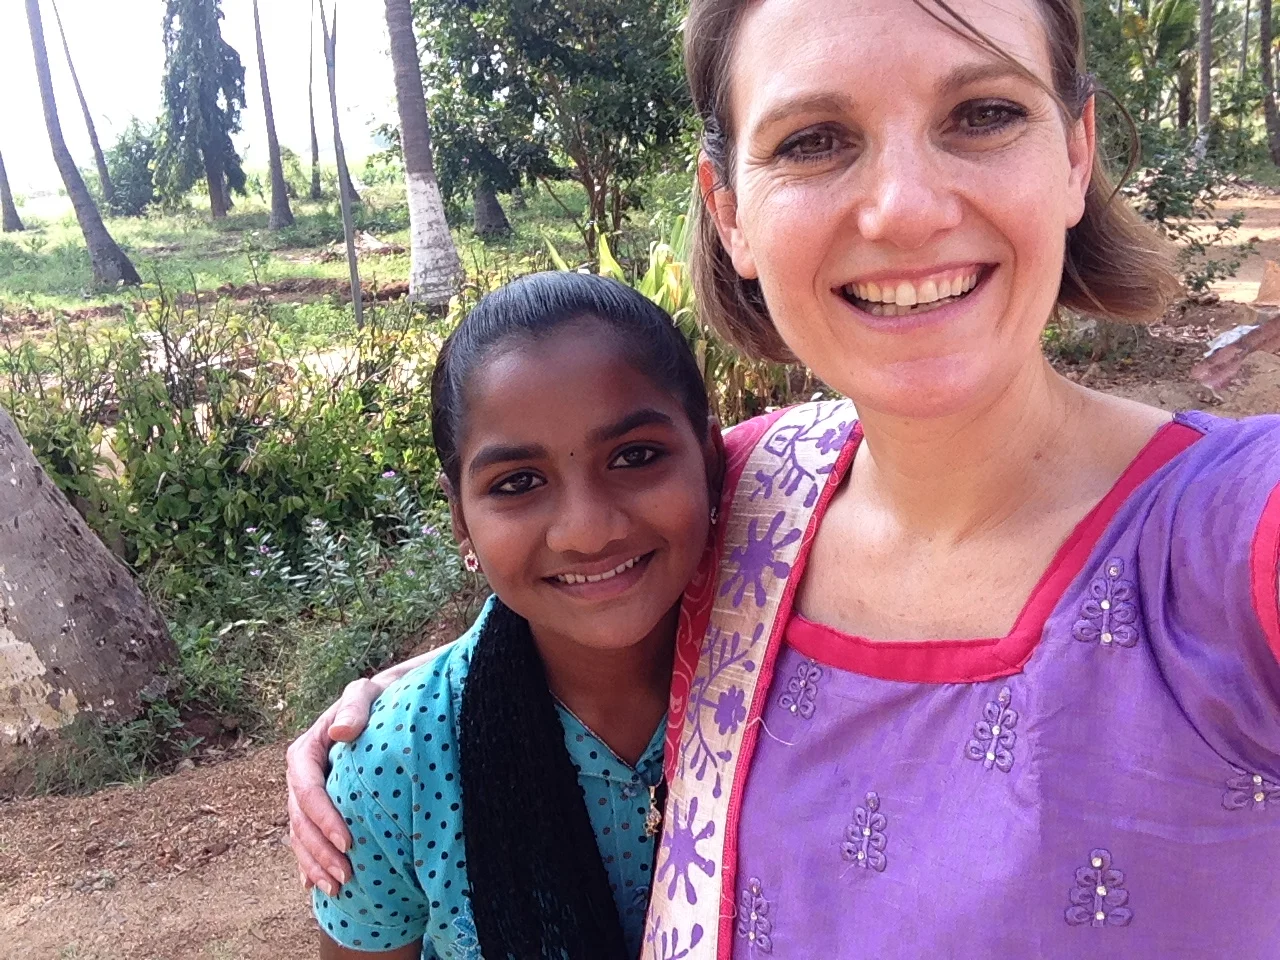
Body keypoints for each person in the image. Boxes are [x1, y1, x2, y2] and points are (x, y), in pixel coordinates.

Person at [293, 0, 1280, 956]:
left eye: (980, 114)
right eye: (813, 138)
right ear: (729, 214)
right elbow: (575, 572)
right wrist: (390, 719)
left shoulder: (1235, 534)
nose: (903, 208)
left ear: (1073, 153)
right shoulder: (758, 496)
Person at [305, 271, 723, 960]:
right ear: (460, 520)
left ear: (708, 458)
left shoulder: (802, 682)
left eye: (635, 456)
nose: (587, 531)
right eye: (518, 483)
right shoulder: (397, 768)